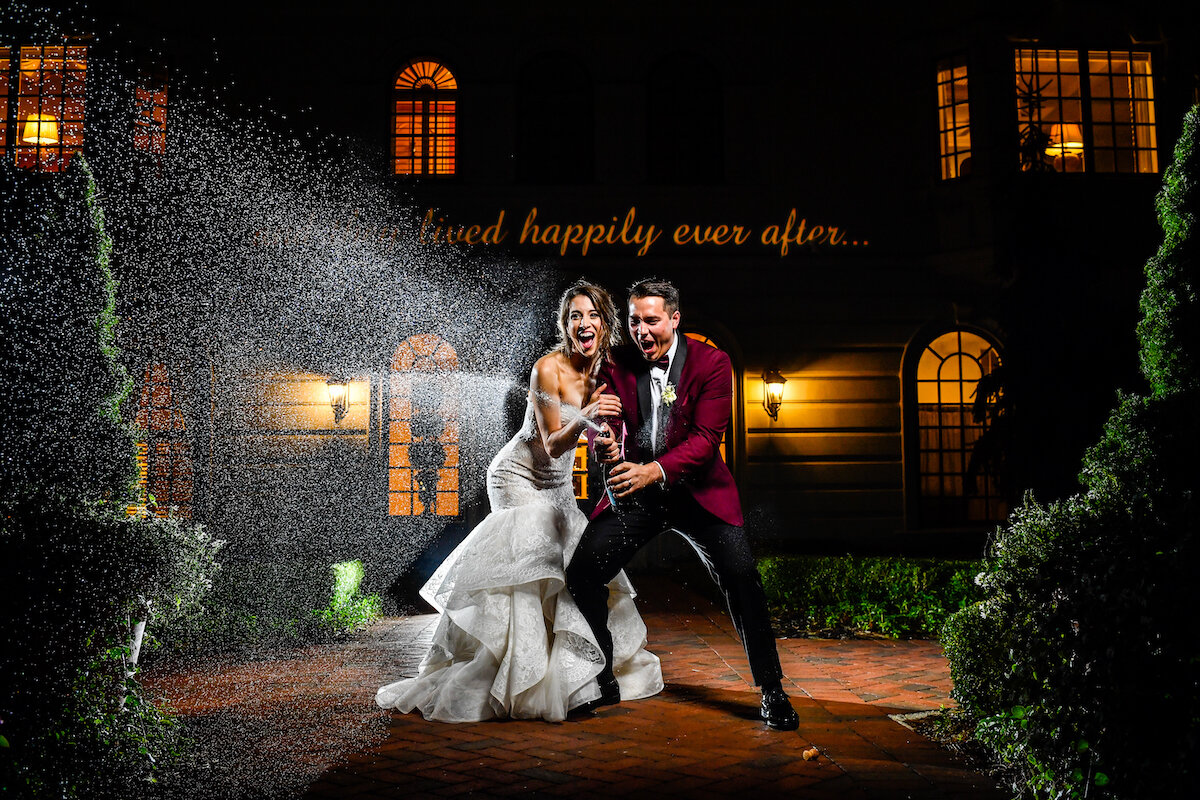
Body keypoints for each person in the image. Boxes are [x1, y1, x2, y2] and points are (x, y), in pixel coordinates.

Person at [376, 281, 663, 722]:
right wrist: (586, 417)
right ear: (565, 325)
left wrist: (608, 444)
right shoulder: (547, 369)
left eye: (592, 316)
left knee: (574, 566)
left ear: (606, 325)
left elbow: (604, 440)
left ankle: (572, 673)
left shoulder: (608, 375)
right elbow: (550, 444)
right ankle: (515, 676)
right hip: (518, 476)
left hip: (560, 485)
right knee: (531, 566)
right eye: (574, 316)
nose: (583, 324)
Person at [565, 278, 800, 730]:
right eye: (634, 321)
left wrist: (652, 470)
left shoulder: (714, 363)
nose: (642, 331)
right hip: (636, 494)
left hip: (698, 494)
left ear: (674, 318)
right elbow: (602, 422)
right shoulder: (617, 362)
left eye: (651, 321)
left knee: (742, 578)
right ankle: (602, 677)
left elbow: (707, 441)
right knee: (583, 571)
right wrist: (605, 443)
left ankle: (772, 690)